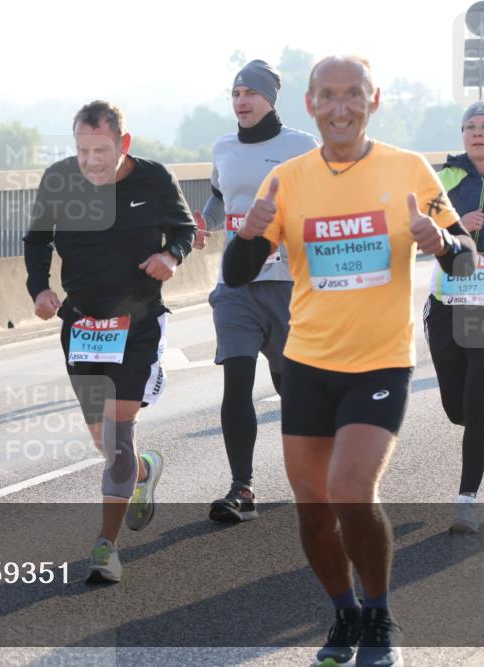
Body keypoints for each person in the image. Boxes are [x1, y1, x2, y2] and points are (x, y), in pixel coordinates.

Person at [224, 56, 476, 667]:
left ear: (374, 100)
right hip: (308, 363)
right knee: (313, 512)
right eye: (329, 96)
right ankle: (343, 614)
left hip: (381, 363)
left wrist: (441, 241)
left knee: (350, 490)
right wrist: (250, 235)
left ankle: (381, 613)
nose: (342, 107)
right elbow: (236, 275)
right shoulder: (287, 178)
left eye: (354, 95)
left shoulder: (408, 169)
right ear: (310, 104)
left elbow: (465, 260)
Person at [24, 100, 196, 583]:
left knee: (117, 437)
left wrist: (172, 255)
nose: (91, 160)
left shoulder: (155, 179)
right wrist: (39, 287)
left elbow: (184, 229)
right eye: (82, 149)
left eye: (101, 149)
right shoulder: (60, 179)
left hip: (137, 324)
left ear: (123, 144)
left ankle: (106, 547)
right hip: (82, 326)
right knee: (103, 439)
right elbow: (37, 239)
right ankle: (142, 472)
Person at [195, 60, 318, 523]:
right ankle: (241, 488)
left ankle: (314, 475)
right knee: (237, 381)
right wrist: (200, 225)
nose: (241, 101)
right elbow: (219, 199)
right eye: (235, 93)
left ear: (270, 98)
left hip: (289, 287)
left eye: (249, 93)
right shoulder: (223, 148)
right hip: (236, 285)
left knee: (295, 392)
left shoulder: (301, 146)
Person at [424, 101, 484, 533]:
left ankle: (467, 500)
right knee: (456, 406)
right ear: (462, 135)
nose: (477, 133)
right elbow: (410, 232)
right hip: (447, 301)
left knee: (477, 397)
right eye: (470, 127)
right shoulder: (441, 179)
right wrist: (454, 227)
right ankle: (479, 418)